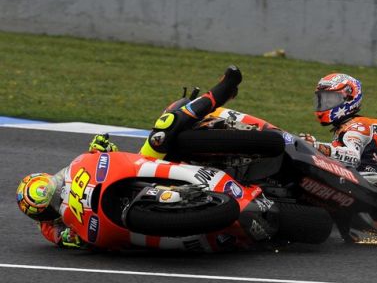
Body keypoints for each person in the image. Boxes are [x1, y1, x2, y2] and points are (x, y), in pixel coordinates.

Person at [16, 66, 246, 249]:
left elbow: (96, 162)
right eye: (49, 205)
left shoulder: (70, 176)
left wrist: (99, 149)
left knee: (163, 130)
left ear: (52, 179)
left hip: (127, 172)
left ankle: (223, 90)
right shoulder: (47, 228)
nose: (57, 196)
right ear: (42, 216)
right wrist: (67, 236)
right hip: (113, 224)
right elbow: (59, 237)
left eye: (54, 189)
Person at [301, 73, 377, 175]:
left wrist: (317, 146)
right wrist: (309, 145)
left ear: (349, 99)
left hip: (358, 183)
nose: (324, 105)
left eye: (329, 100)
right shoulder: (345, 126)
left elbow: (353, 157)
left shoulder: (358, 125)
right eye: (321, 100)